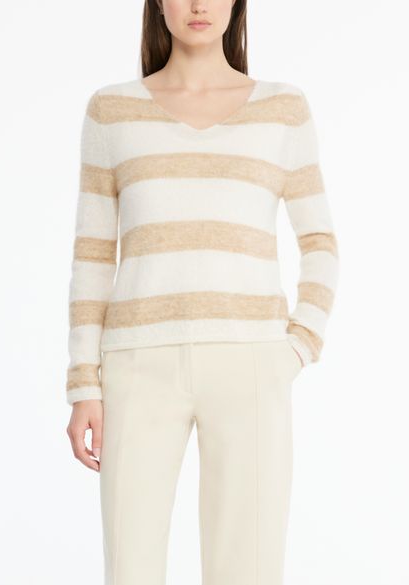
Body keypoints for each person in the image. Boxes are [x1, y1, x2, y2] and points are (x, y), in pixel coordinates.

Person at [65, 0, 339, 583]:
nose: (197, 5)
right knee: (130, 569)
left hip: (252, 364)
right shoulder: (111, 111)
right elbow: (92, 255)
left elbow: (319, 241)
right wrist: (84, 384)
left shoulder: (283, 110)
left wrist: (298, 347)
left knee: (249, 570)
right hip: (136, 367)